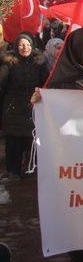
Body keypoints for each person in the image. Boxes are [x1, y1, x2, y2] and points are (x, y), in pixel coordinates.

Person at [34, 27, 83, 262]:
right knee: (78, 212)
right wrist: (40, 103)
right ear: (77, 52)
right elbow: (49, 122)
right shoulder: (58, 85)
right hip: (75, 164)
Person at [0, 33, 48, 182]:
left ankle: (33, 169)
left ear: (32, 45)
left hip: (33, 107)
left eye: (27, 44)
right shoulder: (9, 62)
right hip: (13, 107)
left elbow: (46, 83)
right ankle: (13, 171)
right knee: (13, 142)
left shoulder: (39, 63)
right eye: (21, 44)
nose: (24, 47)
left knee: (32, 140)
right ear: (16, 46)